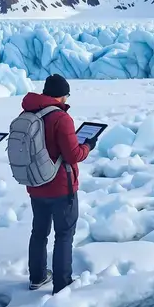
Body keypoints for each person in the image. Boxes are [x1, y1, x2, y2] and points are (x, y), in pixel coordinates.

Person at [19, 74, 95, 294]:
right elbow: (72, 155)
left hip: (36, 185)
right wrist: (88, 146)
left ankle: (37, 276)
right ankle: (62, 284)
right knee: (64, 234)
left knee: (39, 232)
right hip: (62, 187)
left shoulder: (28, 112)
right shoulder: (61, 118)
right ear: (62, 95)